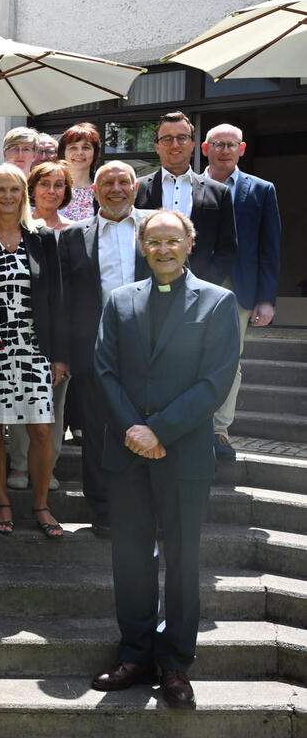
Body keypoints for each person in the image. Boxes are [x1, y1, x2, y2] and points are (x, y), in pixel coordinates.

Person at [90, 209, 240, 709]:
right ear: (142, 246)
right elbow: (105, 370)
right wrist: (135, 428)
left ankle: (176, 663)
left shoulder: (218, 303)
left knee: (181, 561)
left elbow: (214, 381)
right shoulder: (119, 300)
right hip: (127, 451)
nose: (163, 249)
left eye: (173, 241)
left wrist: (158, 429)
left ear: (189, 244)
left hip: (183, 452)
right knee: (130, 559)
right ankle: (135, 654)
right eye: (154, 242)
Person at [0, 165, 65, 539]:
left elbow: (56, 298)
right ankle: (2, 501)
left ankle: (40, 504)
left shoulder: (42, 238)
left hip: (34, 345)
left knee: (40, 429)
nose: (7, 196)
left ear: (24, 195)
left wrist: (59, 354)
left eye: (14, 190)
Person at [58, 161, 151, 536]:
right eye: (107, 183)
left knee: (147, 425)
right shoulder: (73, 236)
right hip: (94, 348)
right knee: (97, 432)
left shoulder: (157, 227)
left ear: (135, 187)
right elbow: (64, 300)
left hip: (150, 347)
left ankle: (147, 508)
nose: (115, 189)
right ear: (94, 191)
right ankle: (104, 511)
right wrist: (63, 354)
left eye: (122, 182)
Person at [202, 123, 282, 461]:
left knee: (229, 360)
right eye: (217, 144)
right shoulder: (189, 186)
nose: (224, 150)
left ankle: (219, 429)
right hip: (195, 285)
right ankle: (188, 423)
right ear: (205, 149)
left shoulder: (262, 190)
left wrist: (266, 298)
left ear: (242, 149)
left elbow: (270, 246)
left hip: (239, 289)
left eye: (230, 144)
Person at [134, 111, 237, 287]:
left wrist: (204, 285)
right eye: (167, 139)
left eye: (182, 137)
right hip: (147, 290)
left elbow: (227, 249)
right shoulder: (137, 190)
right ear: (157, 146)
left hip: (200, 292)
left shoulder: (219, 193)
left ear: (192, 144)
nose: (175, 144)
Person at [57, 123, 101, 222]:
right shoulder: (52, 187)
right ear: (63, 152)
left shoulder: (102, 190)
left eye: (86, 148)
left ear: (95, 153)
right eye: (73, 147)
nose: (80, 152)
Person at [28, 161, 74, 231]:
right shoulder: (19, 227)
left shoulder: (73, 230)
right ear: (32, 190)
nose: (51, 191)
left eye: (58, 185)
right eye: (44, 184)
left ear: (65, 193)